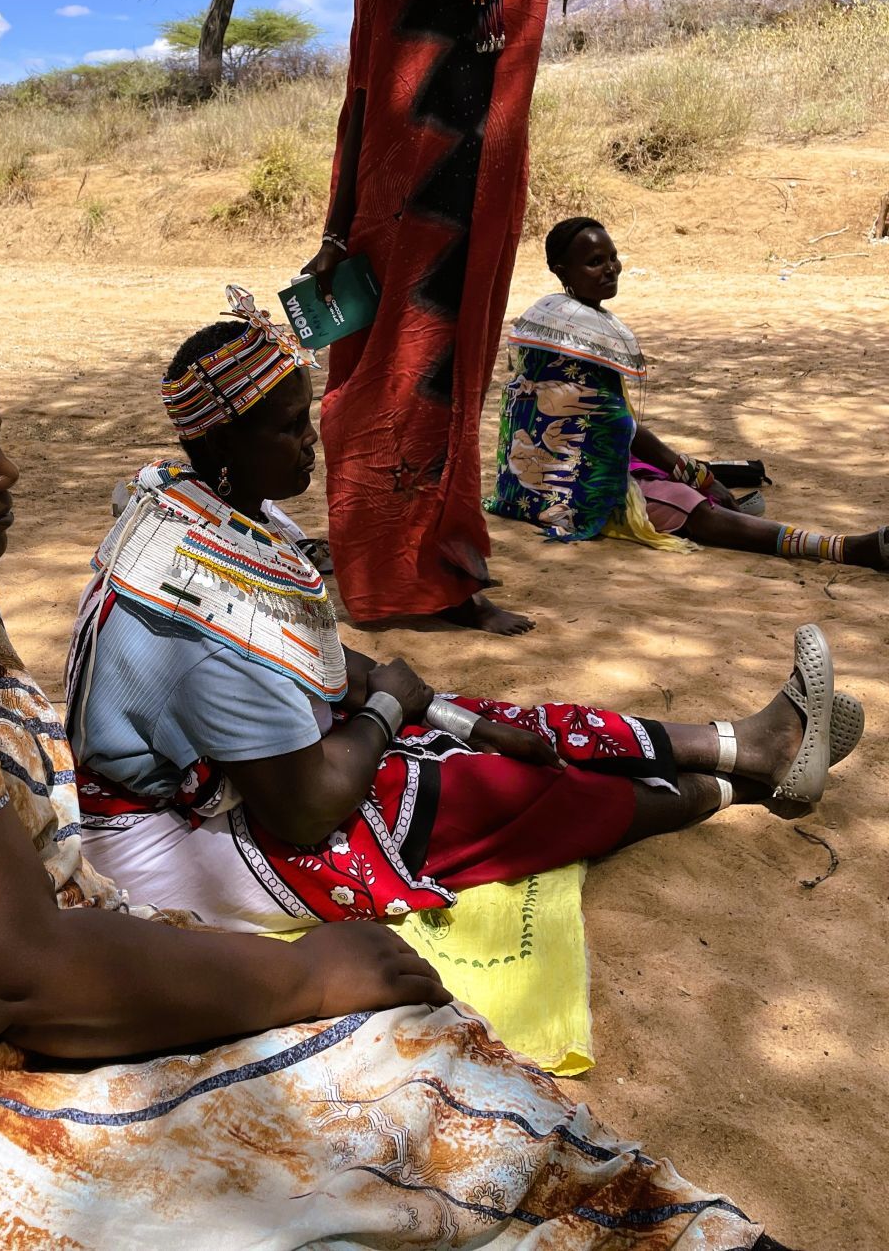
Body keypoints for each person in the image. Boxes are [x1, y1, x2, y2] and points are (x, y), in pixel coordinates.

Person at [0, 320, 798, 1250]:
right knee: (395, 1066)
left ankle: (723, 760)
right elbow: (11, 970)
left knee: (427, 1024)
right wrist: (301, 967)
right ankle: (720, 777)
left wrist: (393, 713)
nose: (11, 471)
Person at [67, 288, 861, 937]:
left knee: (503, 727)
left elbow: (309, 658)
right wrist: (389, 707)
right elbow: (306, 810)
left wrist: (448, 714)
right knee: (491, 796)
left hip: (251, 773)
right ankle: (735, 789)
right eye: (286, 429)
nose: (310, 442)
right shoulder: (201, 615)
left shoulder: (198, 513)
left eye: (304, 418)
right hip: (182, 844)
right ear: (222, 448)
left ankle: (741, 744)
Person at [302, 0, 797, 635]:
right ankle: (389, 579)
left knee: (450, 384)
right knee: (384, 382)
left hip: (475, 202)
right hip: (394, 215)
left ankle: (439, 566)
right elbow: (359, 101)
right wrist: (332, 227)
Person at [487, 216, 889, 570]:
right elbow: (622, 428)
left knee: (677, 479)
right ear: (562, 271)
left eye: (613, 257)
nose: (610, 269)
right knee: (692, 507)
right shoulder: (574, 337)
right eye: (595, 262)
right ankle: (841, 548)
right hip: (573, 492)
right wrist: (697, 477)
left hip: (532, 481)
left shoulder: (551, 321)